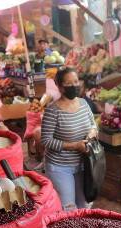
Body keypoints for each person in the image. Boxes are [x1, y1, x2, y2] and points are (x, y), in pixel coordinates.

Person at [40, 67, 97, 211]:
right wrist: (74, 146)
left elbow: (94, 125)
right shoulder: (53, 110)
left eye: (76, 82)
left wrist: (91, 134)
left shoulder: (84, 104)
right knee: (69, 207)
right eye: (68, 83)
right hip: (59, 166)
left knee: (84, 204)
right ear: (59, 86)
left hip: (82, 164)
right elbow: (46, 140)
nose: (74, 86)